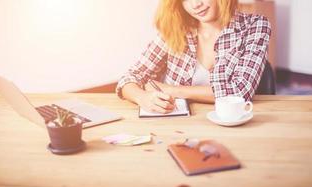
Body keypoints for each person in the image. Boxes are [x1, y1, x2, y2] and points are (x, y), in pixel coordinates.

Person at [116, 0, 271, 114]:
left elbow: (239, 92)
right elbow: (130, 77)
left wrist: (170, 90)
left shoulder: (255, 26)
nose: (195, 4)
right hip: (175, 125)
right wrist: (141, 97)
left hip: (227, 123)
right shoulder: (176, 27)